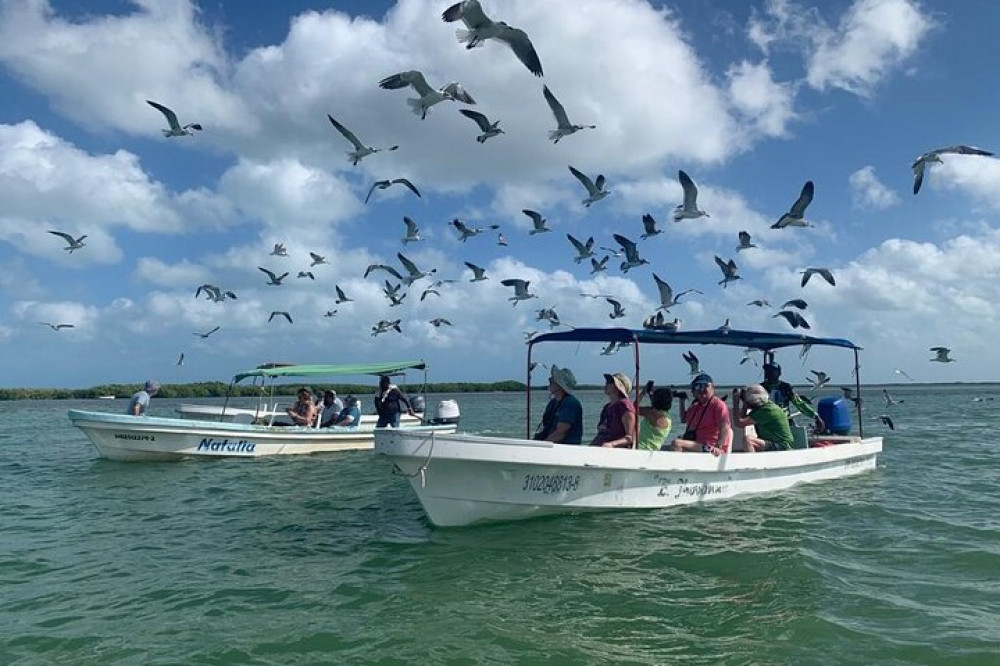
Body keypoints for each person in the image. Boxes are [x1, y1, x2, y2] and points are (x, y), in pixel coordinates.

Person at [670, 373, 730, 456]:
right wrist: (682, 400)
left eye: (705, 386)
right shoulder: (696, 406)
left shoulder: (718, 405)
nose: (701, 390)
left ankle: (677, 467)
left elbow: (725, 427)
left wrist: (718, 446)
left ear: (712, 387)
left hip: (711, 447)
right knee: (677, 440)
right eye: (697, 387)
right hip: (698, 444)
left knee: (677, 443)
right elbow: (684, 419)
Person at [762, 362, 824, 431]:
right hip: (767, 424)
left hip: (785, 422)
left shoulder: (785, 387)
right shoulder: (760, 388)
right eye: (767, 371)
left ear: (779, 373)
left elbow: (799, 404)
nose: (769, 373)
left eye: (772, 371)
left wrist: (815, 416)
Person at [732, 384, 794, 452]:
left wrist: (736, 402)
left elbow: (739, 423)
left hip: (782, 445)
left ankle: (753, 462)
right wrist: (745, 405)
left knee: (749, 440)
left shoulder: (767, 410)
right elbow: (741, 418)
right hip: (772, 442)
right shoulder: (762, 408)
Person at [533, 366, 583, 444]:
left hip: (565, 449)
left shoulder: (570, 404)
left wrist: (541, 447)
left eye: (553, 379)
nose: (549, 379)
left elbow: (560, 433)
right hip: (551, 446)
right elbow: (544, 426)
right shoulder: (553, 403)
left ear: (560, 385)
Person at [591, 372, 637, 448]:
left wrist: (612, 444)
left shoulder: (625, 406)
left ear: (618, 387)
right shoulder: (607, 407)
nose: (606, 384)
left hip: (615, 451)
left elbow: (630, 437)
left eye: (610, 381)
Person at [635, 380, 673, 451]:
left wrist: (643, 393)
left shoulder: (652, 413)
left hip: (642, 449)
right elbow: (656, 406)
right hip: (652, 450)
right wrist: (650, 394)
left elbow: (633, 409)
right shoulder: (667, 417)